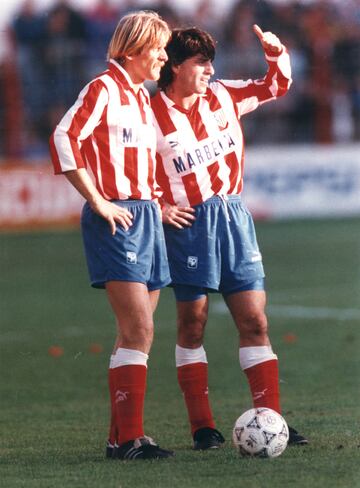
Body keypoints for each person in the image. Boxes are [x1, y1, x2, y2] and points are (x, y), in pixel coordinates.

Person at [151, 25, 308, 450]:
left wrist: (277, 52)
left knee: (255, 320)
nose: (209, 69)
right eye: (201, 62)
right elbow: (127, 169)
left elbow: (277, 85)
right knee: (193, 322)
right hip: (189, 224)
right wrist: (160, 206)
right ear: (176, 66)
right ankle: (202, 427)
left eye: (210, 62)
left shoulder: (223, 95)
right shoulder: (150, 115)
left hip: (234, 217)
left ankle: (271, 419)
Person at [49, 11, 174, 460]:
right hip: (115, 218)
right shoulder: (103, 88)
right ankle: (130, 439)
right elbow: (64, 138)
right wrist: (99, 200)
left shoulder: (142, 98)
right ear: (134, 49)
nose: (164, 55)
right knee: (138, 326)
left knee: (135, 332)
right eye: (158, 47)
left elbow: (148, 162)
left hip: (147, 218)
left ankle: (119, 438)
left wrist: (160, 204)